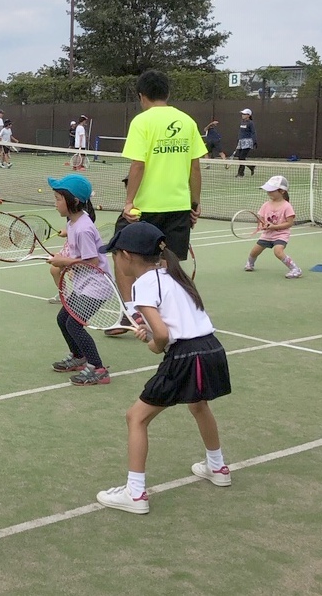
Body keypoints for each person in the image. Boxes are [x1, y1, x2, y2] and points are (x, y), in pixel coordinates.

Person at [95, 222, 231, 515]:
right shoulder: (173, 274)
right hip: (211, 349)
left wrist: (155, 344)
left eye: (115, 254)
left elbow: (163, 336)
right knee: (199, 405)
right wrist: (153, 332)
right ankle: (218, 467)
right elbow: (169, 322)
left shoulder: (143, 284)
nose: (114, 259)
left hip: (185, 355)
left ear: (128, 256)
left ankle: (135, 493)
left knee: (136, 418)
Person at [111, 69, 205, 337]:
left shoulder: (142, 122)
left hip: (145, 209)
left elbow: (138, 164)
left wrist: (128, 202)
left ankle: (132, 315)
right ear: (168, 93)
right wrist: (194, 204)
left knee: (122, 255)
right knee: (166, 265)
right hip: (177, 207)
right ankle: (167, 318)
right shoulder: (186, 121)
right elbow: (195, 168)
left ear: (142, 96)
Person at [44, 175, 112, 385]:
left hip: (97, 287)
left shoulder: (83, 228)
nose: (55, 203)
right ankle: (78, 356)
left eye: (57, 199)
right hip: (85, 285)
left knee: (74, 324)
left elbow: (91, 261)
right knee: (62, 319)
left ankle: (98, 368)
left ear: (72, 201)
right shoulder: (74, 224)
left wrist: (63, 261)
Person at [245, 175, 301, 278]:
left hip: (281, 235)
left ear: (282, 191)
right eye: (268, 190)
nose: (268, 192)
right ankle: (250, 264)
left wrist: (274, 227)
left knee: (278, 251)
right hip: (267, 235)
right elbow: (261, 219)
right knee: (254, 252)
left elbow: (289, 223)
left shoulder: (287, 206)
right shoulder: (266, 204)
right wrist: (263, 225)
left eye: (271, 190)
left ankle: (295, 269)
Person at [234, 108, 257, 177]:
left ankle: (240, 173)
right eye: (242, 114)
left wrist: (254, 141)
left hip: (248, 142)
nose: (242, 115)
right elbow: (241, 133)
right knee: (240, 157)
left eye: (244, 114)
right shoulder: (242, 122)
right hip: (241, 142)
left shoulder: (251, 123)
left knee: (241, 157)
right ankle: (251, 167)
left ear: (248, 115)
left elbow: (253, 132)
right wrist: (239, 140)